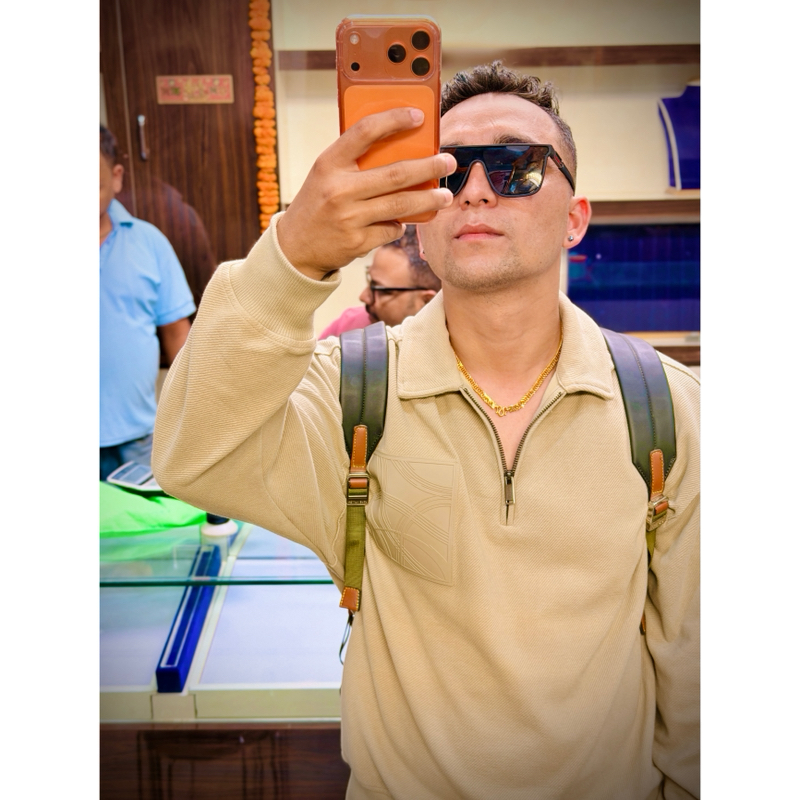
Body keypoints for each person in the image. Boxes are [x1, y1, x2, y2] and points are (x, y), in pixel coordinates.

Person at [153, 62, 699, 800]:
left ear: (575, 217)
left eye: (515, 167)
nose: (475, 190)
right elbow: (191, 458)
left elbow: (700, 661)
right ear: (418, 216)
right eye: (448, 170)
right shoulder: (351, 394)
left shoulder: (665, 408)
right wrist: (293, 255)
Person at [100, 125, 195, 480]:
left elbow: (177, 334)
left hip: (138, 436)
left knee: (144, 516)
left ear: (116, 176)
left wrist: (191, 415)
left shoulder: (149, 242)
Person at [319, 224, 441, 337]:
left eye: (382, 291)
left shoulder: (447, 348)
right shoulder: (348, 328)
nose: (364, 297)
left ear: (426, 301)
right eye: (371, 281)